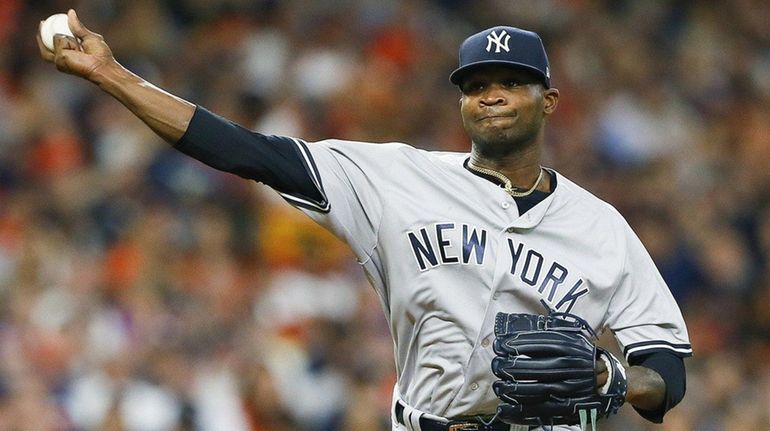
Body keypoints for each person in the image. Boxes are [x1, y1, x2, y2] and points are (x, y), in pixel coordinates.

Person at [38, 10, 691, 431]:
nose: (490, 93)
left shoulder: (601, 226)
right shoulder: (395, 178)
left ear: (548, 101)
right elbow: (243, 150)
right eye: (475, 82)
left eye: (510, 81)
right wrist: (114, 75)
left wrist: (615, 377)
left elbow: (667, 373)